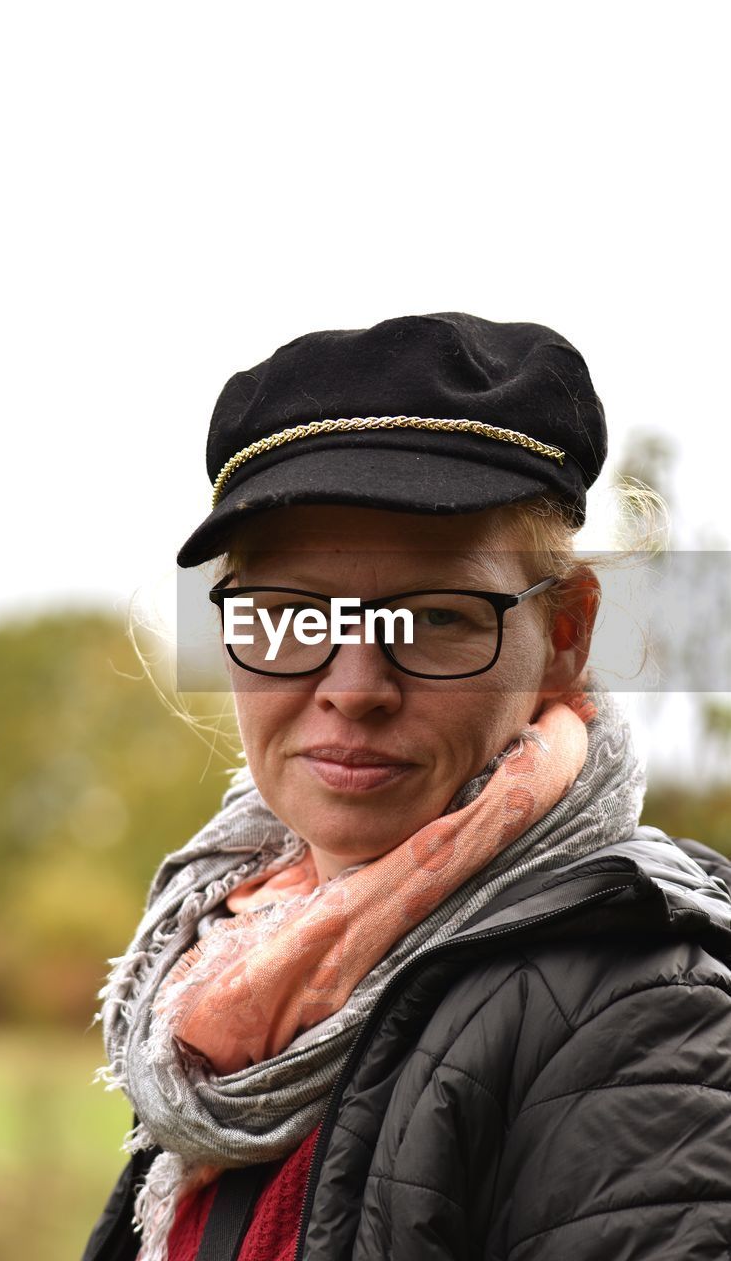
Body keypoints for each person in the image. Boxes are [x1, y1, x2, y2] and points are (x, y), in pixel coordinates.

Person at [82, 313, 731, 1261]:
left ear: (564, 637)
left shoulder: (639, 1021)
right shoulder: (225, 977)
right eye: (290, 613)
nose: (354, 688)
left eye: (433, 617)